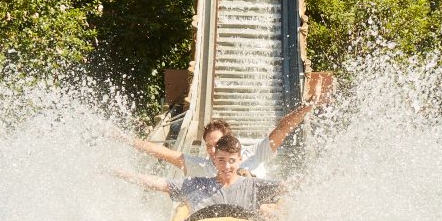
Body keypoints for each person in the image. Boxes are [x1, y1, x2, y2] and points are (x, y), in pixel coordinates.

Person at [129, 75, 328, 177]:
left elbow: (282, 128)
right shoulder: (203, 167)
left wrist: (307, 107)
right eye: (208, 146)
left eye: (218, 144)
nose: (213, 151)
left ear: (232, 143)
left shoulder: (253, 156)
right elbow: (164, 153)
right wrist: (127, 139)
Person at [116, 134, 282, 218]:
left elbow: (287, 186)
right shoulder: (199, 185)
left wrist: (307, 182)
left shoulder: (253, 186)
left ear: (239, 160)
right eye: (222, 160)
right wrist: (120, 173)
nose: (226, 166)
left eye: (231, 161)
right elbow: (161, 184)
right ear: (214, 160)